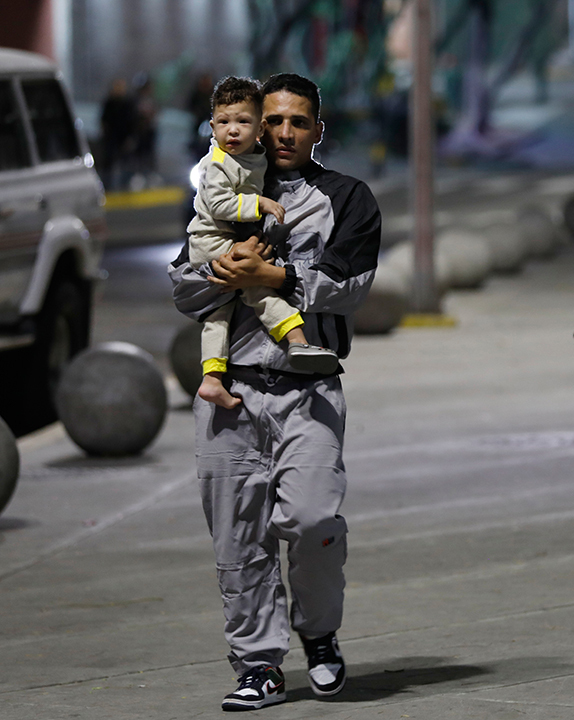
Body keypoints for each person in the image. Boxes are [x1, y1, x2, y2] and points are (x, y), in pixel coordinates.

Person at [168, 72, 381, 711]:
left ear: (319, 129)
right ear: (255, 124)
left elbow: (353, 285)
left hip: (306, 389)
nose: (284, 132)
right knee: (238, 540)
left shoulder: (347, 196)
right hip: (227, 393)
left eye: (299, 121)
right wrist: (220, 271)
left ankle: (318, 635)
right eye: (273, 121)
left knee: (313, 520)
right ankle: (258, 663)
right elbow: (182, 287)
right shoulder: (224, 184)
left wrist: (278, 274)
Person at [186, 76, 338, 409]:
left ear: (258, 131)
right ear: (212, 127)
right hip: (213, 242)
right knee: (257, 288)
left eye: (243, 122)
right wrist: (260, 205)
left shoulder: (254, 156)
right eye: (224, 123)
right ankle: (296, 339)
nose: (233, 131)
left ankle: (211, 378)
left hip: (223, 240)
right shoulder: (217, 164)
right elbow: (220, 205)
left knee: (218, 314)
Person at [99, 78, 136, 190]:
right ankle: (107, 187)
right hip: (111, 138)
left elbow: (132, 122)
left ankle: (125, 186)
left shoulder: (128, 103)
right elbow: (103, 120)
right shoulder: (109, 103)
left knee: (126, 164)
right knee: (108, 164)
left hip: (124, 138)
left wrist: (131, 138)